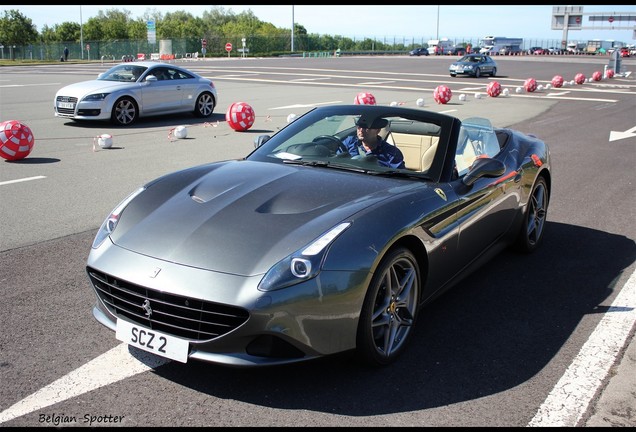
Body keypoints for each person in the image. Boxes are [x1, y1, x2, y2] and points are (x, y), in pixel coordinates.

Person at [339, 116, 405, 169]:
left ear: (377, 131)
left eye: (366, 128)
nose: (361, 131)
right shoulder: (350, 142)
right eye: (359, 127)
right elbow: (335, 159)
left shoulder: (391, 153)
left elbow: (399, 177)